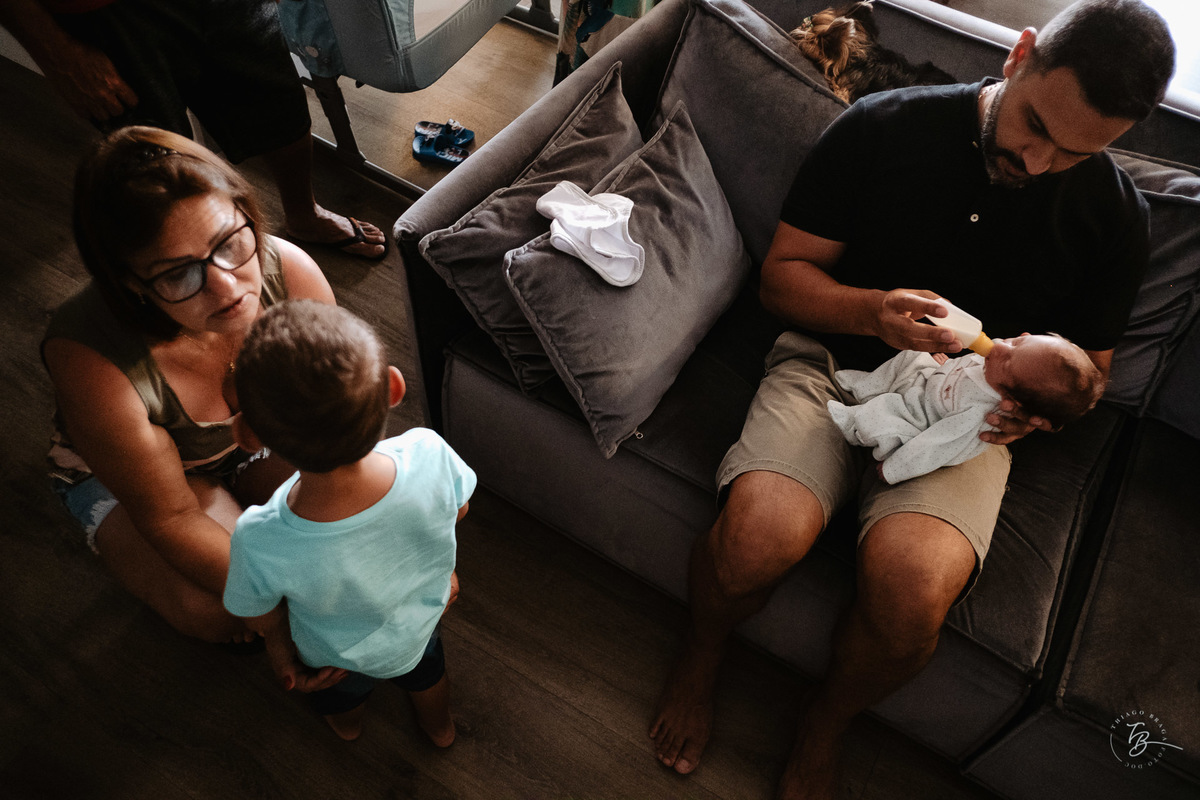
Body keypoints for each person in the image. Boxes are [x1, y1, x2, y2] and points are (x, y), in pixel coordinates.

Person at [647, 1, 1175, 797]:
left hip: (971, 417)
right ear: (1019, 55)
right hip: (835, 362)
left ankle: (825, 723)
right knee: (756, 539)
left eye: (1074, 152)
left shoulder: (1116, 217)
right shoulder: (882, 128)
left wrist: (1042, 408)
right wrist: (871, 311)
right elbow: (783, 280)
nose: (1037, 161)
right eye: (1034, 125)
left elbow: (1092, 374)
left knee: (912, 598)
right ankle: (702, 651)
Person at [42, 125, 337, 646]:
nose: (226, 286)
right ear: (130, 283)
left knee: (342, 521)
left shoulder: (289, 270)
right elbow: (173, 515)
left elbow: (336, 421)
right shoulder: (91, 361)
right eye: (178, 274)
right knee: (222, 613)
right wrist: (293, 614)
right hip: (141, 481)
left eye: (229, 241)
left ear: (247, 212)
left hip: (250, 439)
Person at [224, 300, 476, 745]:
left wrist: (280, 651)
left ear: (247, 436)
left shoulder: (260, 537)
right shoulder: (429, 452)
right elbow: (457, 511)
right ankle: (440, 730)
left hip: (332, 659)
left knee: (341, 702)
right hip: (418, 627)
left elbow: (259, 616)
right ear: (394, 388)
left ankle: (348, 727)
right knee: (429, 678)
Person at [0, 0, 387, 259]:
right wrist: (58, 53)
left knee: (277, 97)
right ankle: (200, 261)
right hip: (102, 13)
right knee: (154, 153)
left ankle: (304, 215)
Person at [828, 333, 1104, 485]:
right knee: (911, 357)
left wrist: (895, 469)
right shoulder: (995, 366)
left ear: (1010, 399)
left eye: (1009, 360)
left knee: (885, 416)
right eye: (1018, 340)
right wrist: (945, 365)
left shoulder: (979, 414)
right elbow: (964, 370)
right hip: (929, 382)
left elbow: (939, 444)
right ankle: (863, 385)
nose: (1000, 346)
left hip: (924, 415)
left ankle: (853, 419)